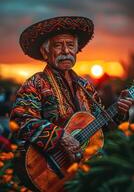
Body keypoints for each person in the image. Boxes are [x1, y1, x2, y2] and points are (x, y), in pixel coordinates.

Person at [10, 16, 133, 171]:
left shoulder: (85, 86)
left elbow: (103, 127)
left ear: (76, 50)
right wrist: (61, 137)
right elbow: (21, 121)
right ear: (45, 52)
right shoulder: (35, 83)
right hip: (49, 170)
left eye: (70, 45)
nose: (66, 51)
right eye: (58, 46)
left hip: (88, 169)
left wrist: (120, 112)